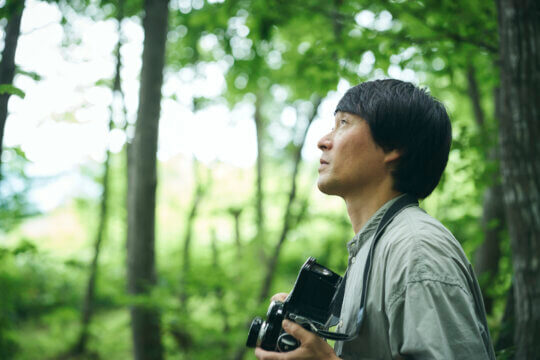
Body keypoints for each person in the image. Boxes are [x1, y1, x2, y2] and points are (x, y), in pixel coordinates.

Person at [255, 79, 496, 360]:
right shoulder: (376, 245)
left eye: (343, 123)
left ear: (394, 147)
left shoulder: (416, 248)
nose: (323, 141)